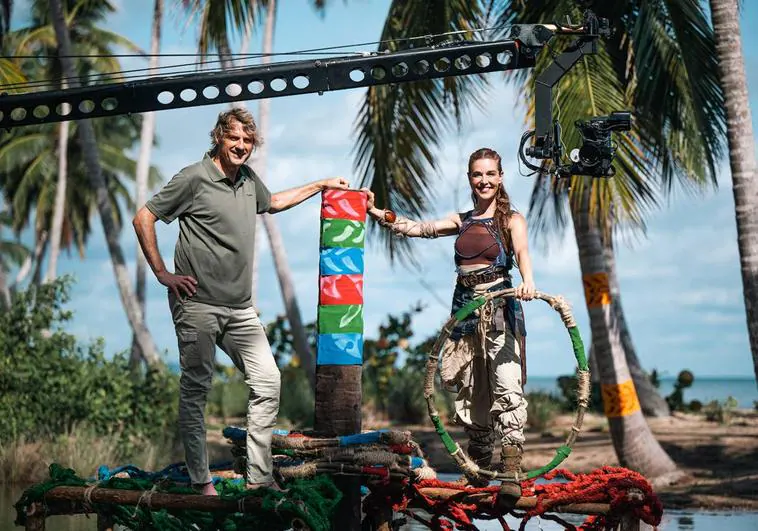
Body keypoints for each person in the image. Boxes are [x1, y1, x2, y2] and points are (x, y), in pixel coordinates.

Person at [132, 107, 349, 496]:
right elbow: (143, 217)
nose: (242, 146)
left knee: (268, 380)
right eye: (235, 138)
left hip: (240, 308)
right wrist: (162, 273)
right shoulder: (193, 178)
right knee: (196, 391)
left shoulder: (248, 180)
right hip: (196, 304)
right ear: (219, 136)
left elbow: (275, 202)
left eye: (248, 141)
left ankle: (258, 479)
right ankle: (201, 482)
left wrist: (320, 184)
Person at [365, 147, 536, 485]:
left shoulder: (511, 220)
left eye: (490, 174)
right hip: (465, 316)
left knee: (506, 386)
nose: (484, 180)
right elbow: (419, 228)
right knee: (474, 394)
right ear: (470, 178)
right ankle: (480, 472)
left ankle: (512, 474)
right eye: (477, 174)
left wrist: (529, 281)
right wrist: (375, 212)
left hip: (500, 310)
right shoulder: (462, 220)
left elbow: (522, 252)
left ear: (500, 177)